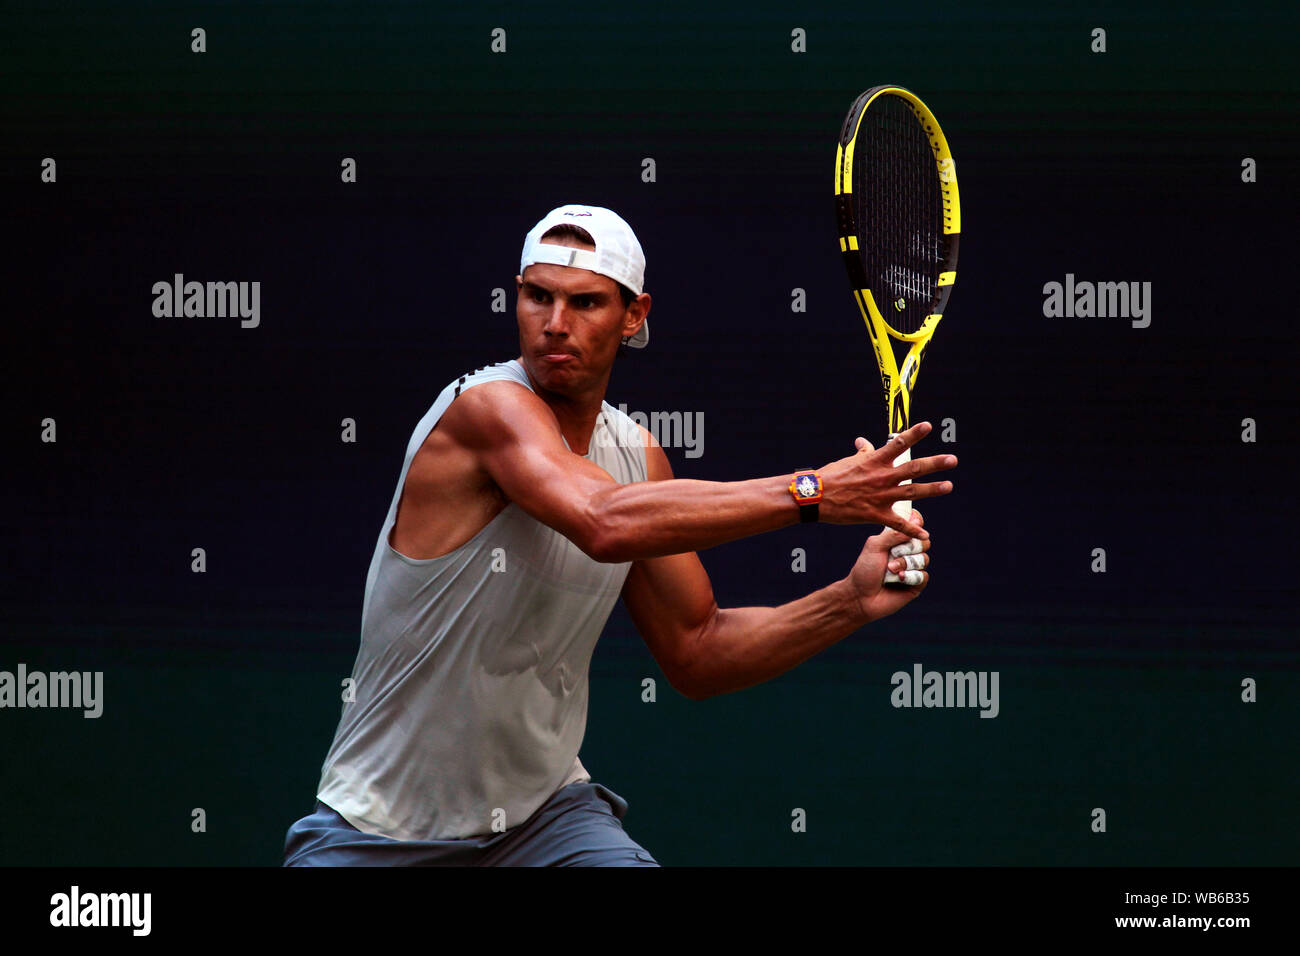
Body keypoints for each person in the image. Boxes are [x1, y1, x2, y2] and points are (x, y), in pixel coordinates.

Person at [282, 204, 957, 866]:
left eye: (586, 303)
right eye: (537, 297)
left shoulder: (635, 456)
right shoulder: (486, 410)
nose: (554, 324)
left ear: (634, 315)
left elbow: (699, 650)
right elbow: (602, 524)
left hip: (543, 823)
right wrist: (812, 493)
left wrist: (850, 600)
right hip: (378, 834)